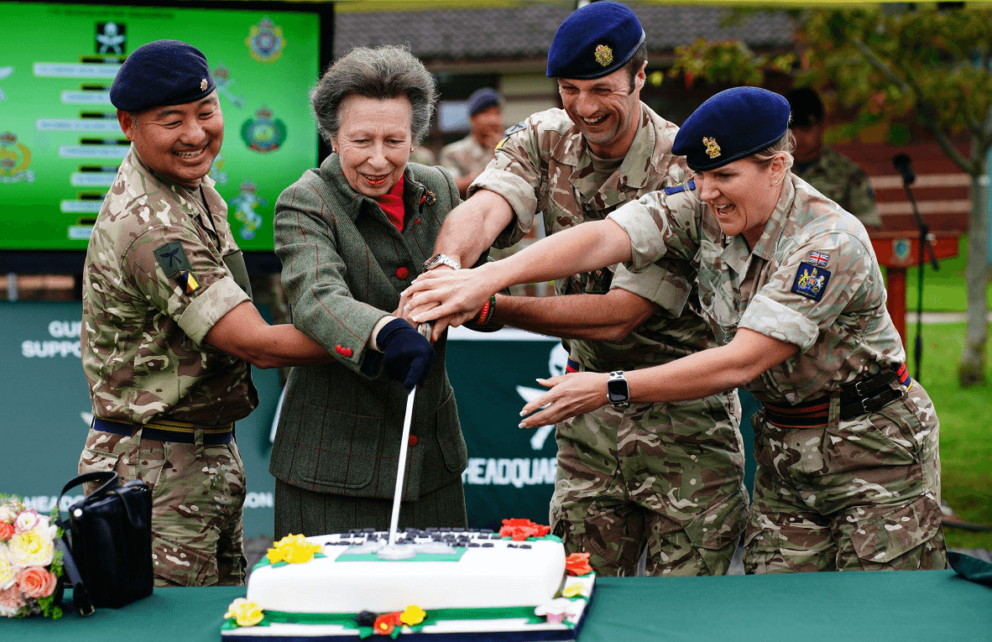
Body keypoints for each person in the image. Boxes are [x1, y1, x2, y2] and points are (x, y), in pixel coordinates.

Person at [406, 86, 947, 574]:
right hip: (786, 452)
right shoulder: (704, 205)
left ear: (777, 166)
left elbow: (740, 361)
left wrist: (609, 386)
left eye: (725, 176)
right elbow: (602, 238)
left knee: (882, 614)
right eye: (700, 175)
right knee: (777, 613)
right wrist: (488, 278)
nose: (707, 192)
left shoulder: (826, 246)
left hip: (874, 454)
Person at [408, 1, 748, 578]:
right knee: (576, 598)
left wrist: (493, 304)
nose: (584, 108)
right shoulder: (544, 136)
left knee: (684, 618)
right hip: (588, 428)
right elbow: (488, 204)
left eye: (602, 89)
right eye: (569, 89)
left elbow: (620, 315)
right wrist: (446, 267)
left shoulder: (685, 167)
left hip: (684, 426)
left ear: (640, 76)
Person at [78, 40, 331, 587]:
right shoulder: (152, 224)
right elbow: (254, 343)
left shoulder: (191, 186)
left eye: (206, 112)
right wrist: (375, 334)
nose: (195, 134)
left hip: (197, 457)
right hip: (156, 475)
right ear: (129, 124)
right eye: (172, 120)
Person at [270, 46, 471, 539]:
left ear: (415, 137)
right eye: (361, 140)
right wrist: (386, 331)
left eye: (394, 140)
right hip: (332, 469)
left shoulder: (440, 187)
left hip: (433, 466)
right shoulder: (305, 201)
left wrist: (477, 297)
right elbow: (316, 297)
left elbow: (474, 274)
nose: (379, 159)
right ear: (333, 137)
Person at [786, 87, 882, 228]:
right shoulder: (773, 171)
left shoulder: (848, 174)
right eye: (792, 128)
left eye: (806, 128)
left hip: (832, 248)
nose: (798, 136)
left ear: (821, 125)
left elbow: (869, 229)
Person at [438, 88, 505, 198]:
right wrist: (493, 165)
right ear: (473, 119)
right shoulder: (452, 152)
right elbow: (451, 187)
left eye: (497, 113)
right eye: (486, 113)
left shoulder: (512, 149)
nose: (493, 120)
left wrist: (504, 153)